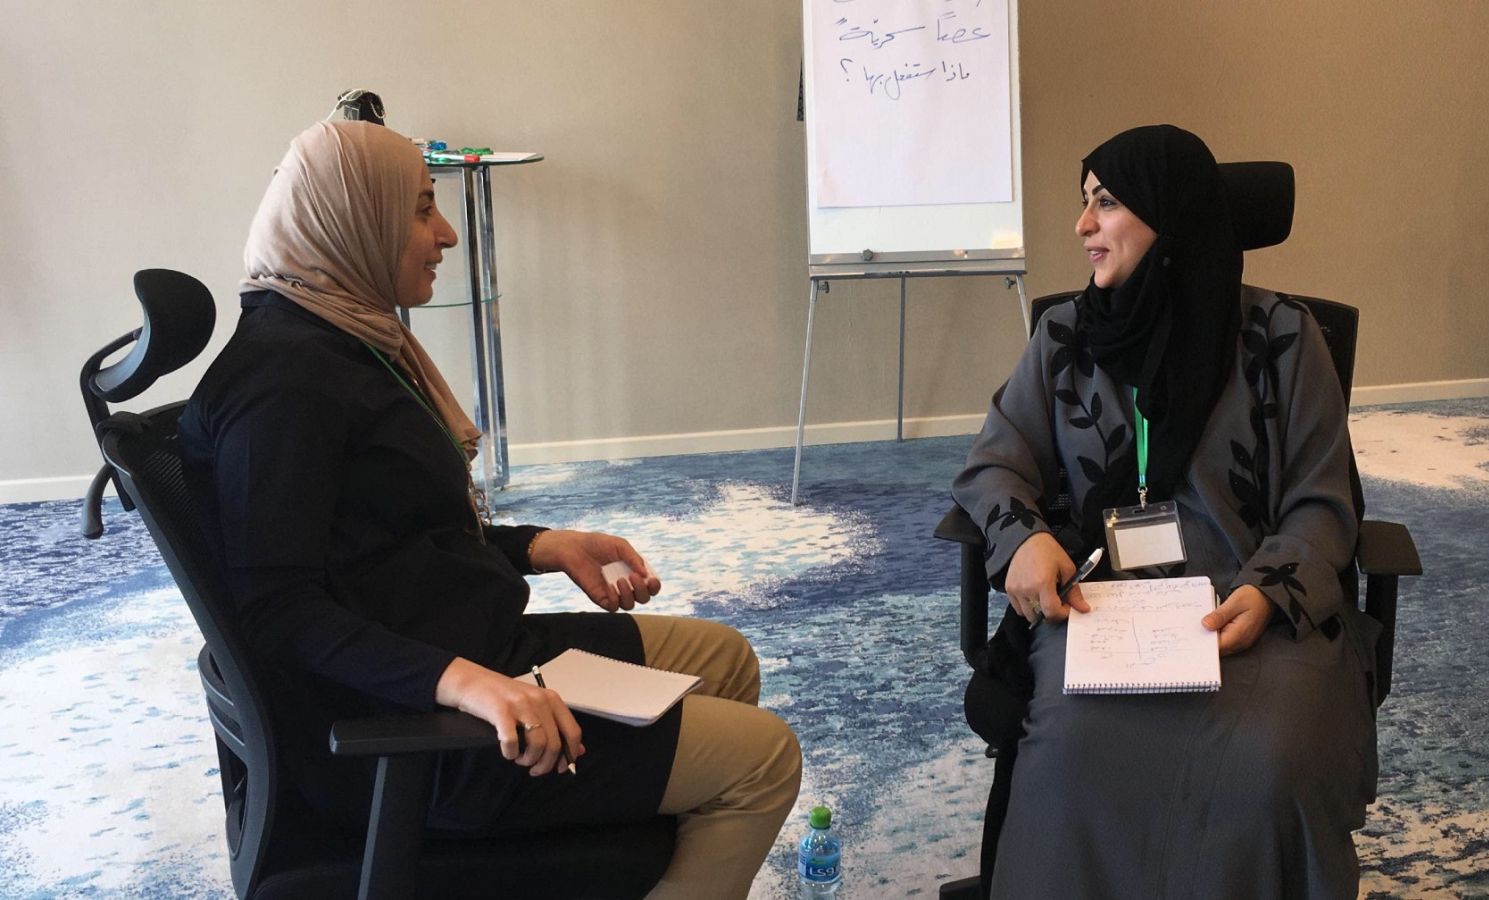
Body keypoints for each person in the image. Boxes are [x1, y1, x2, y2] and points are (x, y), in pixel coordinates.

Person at [178, 120, 800, 900]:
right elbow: (278, 610)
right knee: (763, 761)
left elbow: (393, 534)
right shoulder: (285, 384)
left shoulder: (339, 338)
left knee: (726, 662)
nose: (445, 234)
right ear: (351, 219)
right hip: (409, 732)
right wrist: (471, 684)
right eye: (420, 210)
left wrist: (543, 545)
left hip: (460, 648)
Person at [951, 124, 1379, 899]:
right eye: (1084, 202)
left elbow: (1323, 504)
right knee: (1070, 754)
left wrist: (1269, 593)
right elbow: (995, 463)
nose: (1082, 225)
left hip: (1247, 613)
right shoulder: (1066, 337)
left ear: (1169, 215)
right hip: (1101, 607)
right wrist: (1024, 540)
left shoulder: (1284, 340)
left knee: (1269, 763)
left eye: (1106, 203)